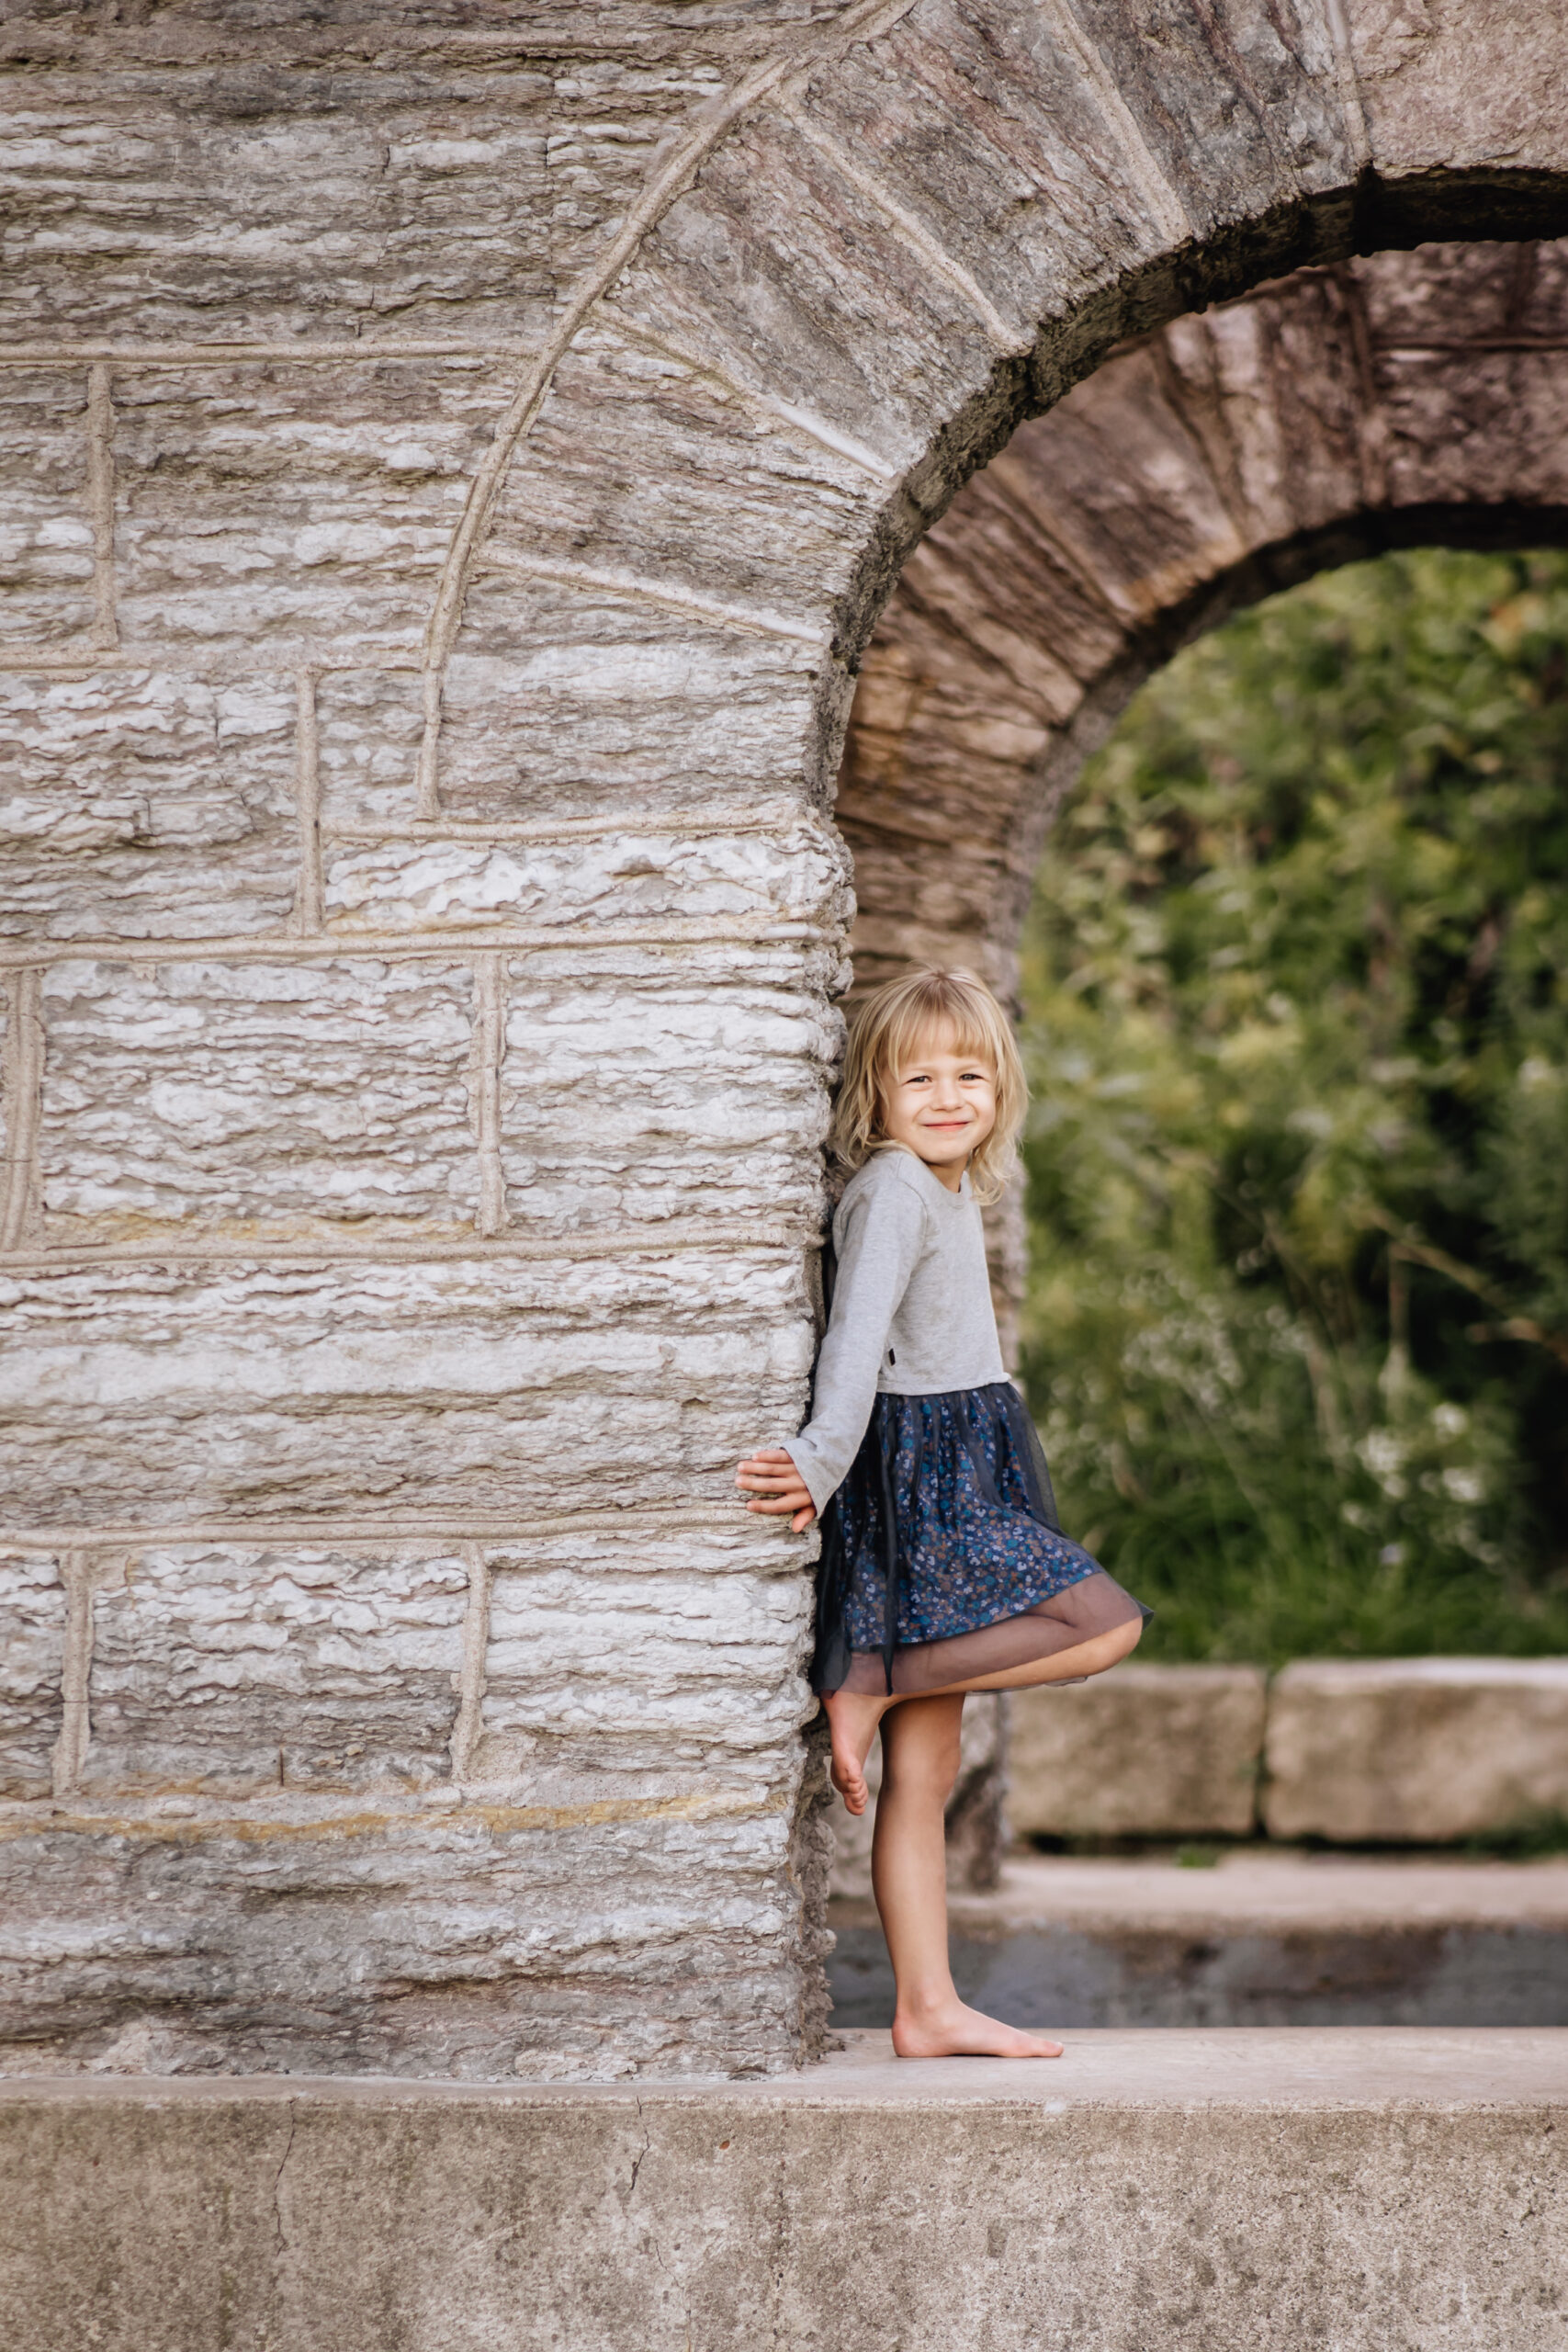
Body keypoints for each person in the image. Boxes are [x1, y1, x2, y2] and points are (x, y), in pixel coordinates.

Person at [737, 967, 1146, 2059]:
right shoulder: (893, 1191)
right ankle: (863, 1673)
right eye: (918, 1076)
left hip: (967, 1457)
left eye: (969, 1074)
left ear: (1001, 1087)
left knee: (928, 1776)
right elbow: (856, 1343)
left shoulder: (950, 1185)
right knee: (1105, 1624)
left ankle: (926, 2006)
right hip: (919, 1475)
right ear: (876, 1092)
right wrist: (818, 1463)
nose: (947, 1094)